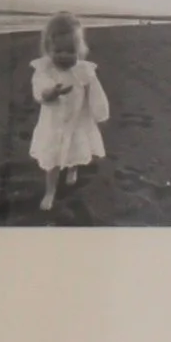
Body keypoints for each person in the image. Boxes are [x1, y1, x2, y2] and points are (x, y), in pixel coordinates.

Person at [29, 12, 108, 213]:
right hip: (53, 123)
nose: (64, 56)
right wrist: (51, 92)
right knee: (53, 160)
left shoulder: (84, 70)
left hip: (77, 120)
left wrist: (99, 113)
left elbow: (95, 91)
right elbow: (39, 90)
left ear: (80, 50)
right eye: (59, 50)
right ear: (48, 48)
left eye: (70, 51)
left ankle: (73, 168)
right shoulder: (45, 69)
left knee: (76, 148)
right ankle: (50, 191)